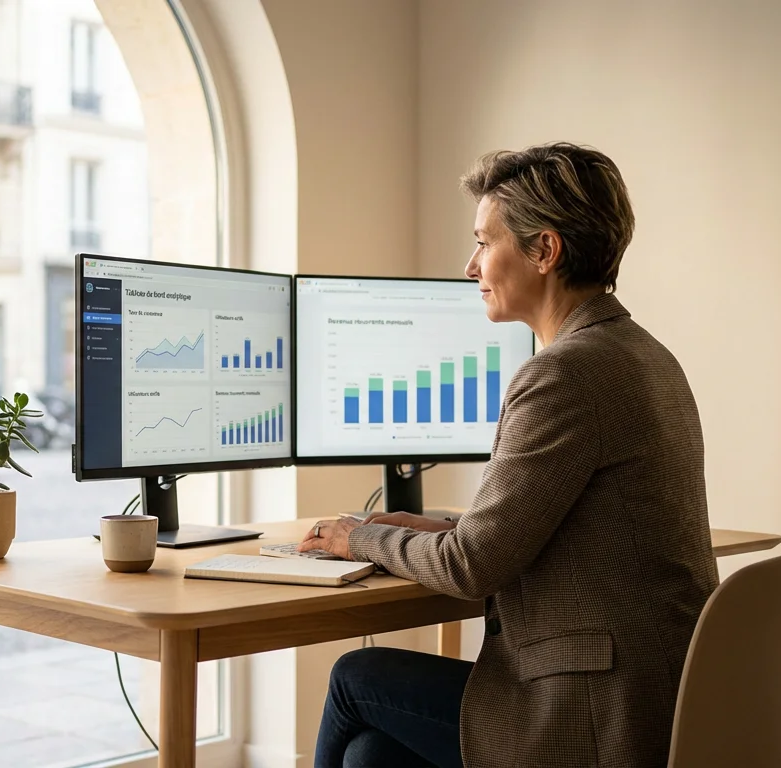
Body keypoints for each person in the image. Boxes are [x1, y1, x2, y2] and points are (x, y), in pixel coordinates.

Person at [300, 143, 718, 768]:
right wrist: (438, 529)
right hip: (659, 695)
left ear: (544, 251)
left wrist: (358, 540)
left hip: (595, 716)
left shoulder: (564, 373)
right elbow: (563, 527)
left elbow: (472, 569)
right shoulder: (645, 354)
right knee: (371, 754)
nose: (470, 266)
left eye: (483, 242)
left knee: (356, 676)